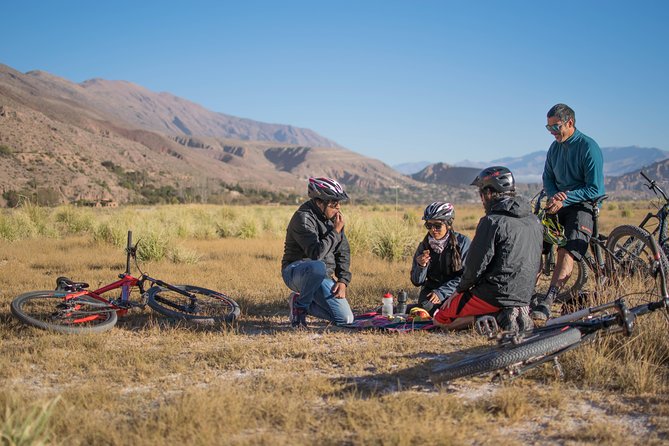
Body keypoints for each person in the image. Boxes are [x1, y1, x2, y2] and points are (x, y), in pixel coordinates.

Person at [432, 166, 543, 332]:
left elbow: (475, 265)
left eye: (481, 193)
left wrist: (459, 290)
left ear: (489, 193)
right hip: (525, 294)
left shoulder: (491, 221)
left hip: (495, 293)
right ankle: (511, 312)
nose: (482, 199)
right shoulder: (534, 220)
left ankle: (498, 318)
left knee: (440, 318)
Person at [531, 104, 605, 321]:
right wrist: (555, 196)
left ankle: (548, 299)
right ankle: (524, 294)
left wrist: (567, 198)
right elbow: (548, 178)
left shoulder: (588, 147)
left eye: (556, 127)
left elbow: (595, 188)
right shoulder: (554, 149)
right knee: (535, 242)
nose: (552, 132)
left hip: (582, 205)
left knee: (567, 248)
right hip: (557, 203)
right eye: (549, 127)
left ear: (570, 123)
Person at [281, 177, 354, 328]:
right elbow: (315, 254)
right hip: (296, 271)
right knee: (317, 266)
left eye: (339, 203)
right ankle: (300, 310)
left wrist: (343, 280)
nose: (338, 207)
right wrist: (335, 231)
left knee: (345, 319)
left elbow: (343, 251)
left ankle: (298, 302)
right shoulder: (303, 218)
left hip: (322, 276)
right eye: (334, 203)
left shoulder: (333, 219)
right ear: (319, 202)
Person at [410, 202, 471, 315]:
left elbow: (467, 276)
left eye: (437, 226)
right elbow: (417, 281)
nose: (433, 230)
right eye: (429, 225)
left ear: (448, 224)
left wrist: (441, 293)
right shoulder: (424, 245)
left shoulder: (463, 242)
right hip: (430, 293)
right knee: (427, 308)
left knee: (456, 310)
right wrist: (421, 266)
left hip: (456, 291)